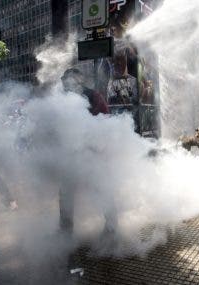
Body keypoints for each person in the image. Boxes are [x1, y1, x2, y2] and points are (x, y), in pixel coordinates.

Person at [60, 68, 117, 234]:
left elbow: (104, 121)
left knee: (101, 188)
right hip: (69, 156)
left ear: (79, 80)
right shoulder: (61, 99)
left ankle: (111, 228)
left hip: (91, 154)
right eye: (64, 80)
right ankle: (65, 230)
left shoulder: (93, 96)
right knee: (65, 193)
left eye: (69, 79)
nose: (65, 83)